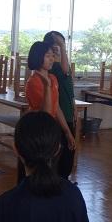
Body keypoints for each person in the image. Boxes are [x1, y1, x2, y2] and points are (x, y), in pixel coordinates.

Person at [23, 41, 75, 182]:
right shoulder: (33, 82)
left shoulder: (53, 78)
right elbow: (45, 114)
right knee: (41, 170)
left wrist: (67, 131)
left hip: (51, 128)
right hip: (39, 130)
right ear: (38, 57)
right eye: (47, 56)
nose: (52, 59)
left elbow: (56, 107)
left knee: (58, 166)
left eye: (52, 55)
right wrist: (46, 86)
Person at [43, 31, 77, 180]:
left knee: (69, 151)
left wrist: (74, 105)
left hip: (68, 112)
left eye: (61, 44)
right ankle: (58, 181)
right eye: (57, 44)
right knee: (59, 152)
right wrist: (62, 47)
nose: (59, 48)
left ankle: (64, 181)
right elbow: (64, 71)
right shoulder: (51, 66)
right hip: (58, 114)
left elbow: (69, 86)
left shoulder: (63, 63)